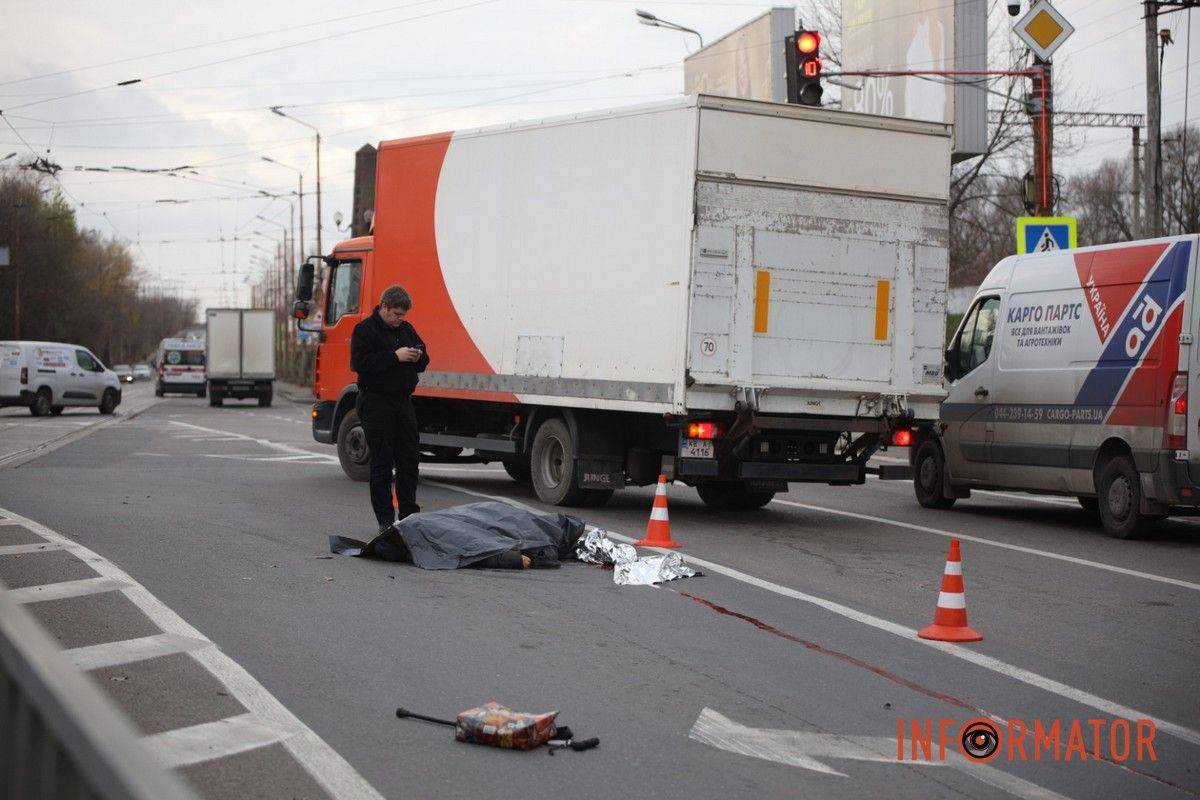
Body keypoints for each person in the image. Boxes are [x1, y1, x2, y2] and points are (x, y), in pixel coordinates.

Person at [351, 285, 430, 534]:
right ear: (383, 307)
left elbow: (424, 359)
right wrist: (394, 357)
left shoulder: (406, 330)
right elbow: (360, 363)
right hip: (376, 401)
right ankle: (385, 521)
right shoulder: (365, 330)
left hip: (403, 402)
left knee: (409, 460)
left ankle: (408, 516)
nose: (400, 319)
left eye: (403, 315)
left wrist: (418, 356)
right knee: (383, 463)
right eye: (396, 314)